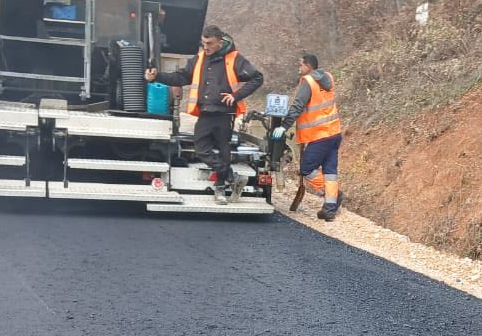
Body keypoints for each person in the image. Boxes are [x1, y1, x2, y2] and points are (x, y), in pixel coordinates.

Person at [146, 25, 263, 203]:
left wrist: (236, 96)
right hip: (205, 112)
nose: (205, 47)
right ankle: (231, 176)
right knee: (201, 149)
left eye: (209, 43)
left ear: (220, 42)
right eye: (203, 43)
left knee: (224, 151)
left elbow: (257, 77)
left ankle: (220, 189)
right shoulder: (200, 58)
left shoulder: (234, 58)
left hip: (224, 113)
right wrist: (157, 76)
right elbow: (180, 77)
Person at [272, 53, 343, 220]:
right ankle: (330, 208)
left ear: (308, 66)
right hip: (334, 132)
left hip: (320, 135)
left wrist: (284, 126)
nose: (299, 68)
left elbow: (297, 106)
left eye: (301, 64)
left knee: (307, 168)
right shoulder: (328, 78)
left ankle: (332, 195)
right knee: (330, 171)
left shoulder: (308, 82)